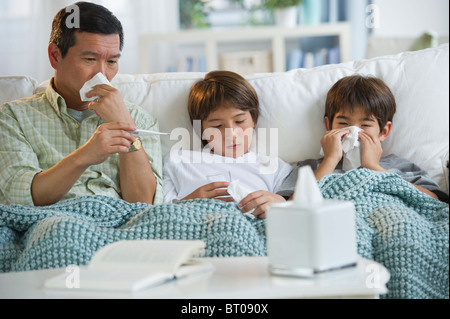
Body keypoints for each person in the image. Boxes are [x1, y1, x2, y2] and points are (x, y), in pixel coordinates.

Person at [0, 2, 163, 206]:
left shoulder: (138, 119)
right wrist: (85, 155)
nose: (101, 74)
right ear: (55, 56)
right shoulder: (13, 117)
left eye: (111, 62)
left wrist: (125, 126)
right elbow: (20, 199)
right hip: (53, 224)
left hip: (119, 226)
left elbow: (144, 204)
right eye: (89, 59)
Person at [277, 74, 448, 202]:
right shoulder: (309, 168)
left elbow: (434, 201)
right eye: (343, 123)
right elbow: (290, 207)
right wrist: (330, 160)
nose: (353, 132)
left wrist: (374, 167)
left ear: (383, 132)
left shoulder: (400, 166)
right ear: (328, 126)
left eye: (365, 125)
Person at [163, 70, 293, 219]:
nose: (231, 134)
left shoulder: (276, 168)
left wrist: (282, 203)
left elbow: (298, 210)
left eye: (239, 121)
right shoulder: (178, 162)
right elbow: (157, 214)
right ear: (201, 130)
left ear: (254, 120)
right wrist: (187, 203)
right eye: (217, 125)